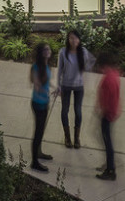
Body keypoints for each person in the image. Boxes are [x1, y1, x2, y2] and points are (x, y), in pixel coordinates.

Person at [57, 28, 93, 148]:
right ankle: (67, 138)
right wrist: (58, 86)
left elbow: (89, 64)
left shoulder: (83, 51)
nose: (74, 40)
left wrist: (86, 69)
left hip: (79, 86)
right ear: (68, 39)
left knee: (78, 111)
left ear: (79, 39)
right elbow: (59, 70)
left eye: (76, 38)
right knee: (65, 110)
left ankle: (77, 138)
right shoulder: (63, 52)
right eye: (71, 38)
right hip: (65, 85)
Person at [95, 50, 121, 181]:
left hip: (107, 115)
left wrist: (101, 110)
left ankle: (110, 170)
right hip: (111, 113)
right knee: (107, 141)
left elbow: (107, 98)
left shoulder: (108, 79)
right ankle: (108, 164)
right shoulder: (115, 75)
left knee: (107, 142)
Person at [29, 41, 54, 173]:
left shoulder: (46, 65)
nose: (48, 51)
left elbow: (47, 82)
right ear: (40, 53)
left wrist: (56, 88)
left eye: (48, 49)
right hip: (38, 103)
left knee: (41, 130)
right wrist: (49, 92)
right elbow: (37, 86)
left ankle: (39, 153)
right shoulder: (36, 67)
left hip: (45, 103)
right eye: (45, 50)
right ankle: (34, 162)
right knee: (38, 133)